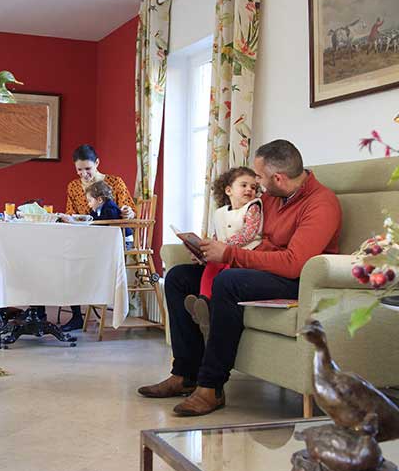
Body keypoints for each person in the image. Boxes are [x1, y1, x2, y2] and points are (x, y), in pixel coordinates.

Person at [138, 139, 342, 416]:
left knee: (228, 282)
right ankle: (185, 374)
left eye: (259, 177)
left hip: (297, 281)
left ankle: (211, 386)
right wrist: (210, 251)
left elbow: (294, 264)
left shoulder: (321, 204)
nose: (256, 184)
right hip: (260, 269)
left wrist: (230, 255)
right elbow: (247, 235)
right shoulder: (271, 197)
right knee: (178, 278)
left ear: (278, 178)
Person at [61, 144, 137, 332]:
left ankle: (79, 312)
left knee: (72, 260)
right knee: (64, 258)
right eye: (79, 170)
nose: (84, 174)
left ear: (97, 163)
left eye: (88, 168)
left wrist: (127, 212)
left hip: (112, 240)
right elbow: (72, 213)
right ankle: (75, 315)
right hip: (86, 237)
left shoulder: (115, 183)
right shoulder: (73, 187)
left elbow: (130, 210)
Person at [184, 166, 263, 343]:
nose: (249, 190)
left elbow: (248, 234)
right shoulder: (220, 213)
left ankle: (207, 309)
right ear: (228, 190)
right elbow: (216, 236)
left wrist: (223, 246)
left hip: (244, 254)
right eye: (244, 185)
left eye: (253, 187)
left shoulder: (253, 208)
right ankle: (203, 302)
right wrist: (204, 249)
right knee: (210, 268)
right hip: (222, 253)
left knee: (226, 274)